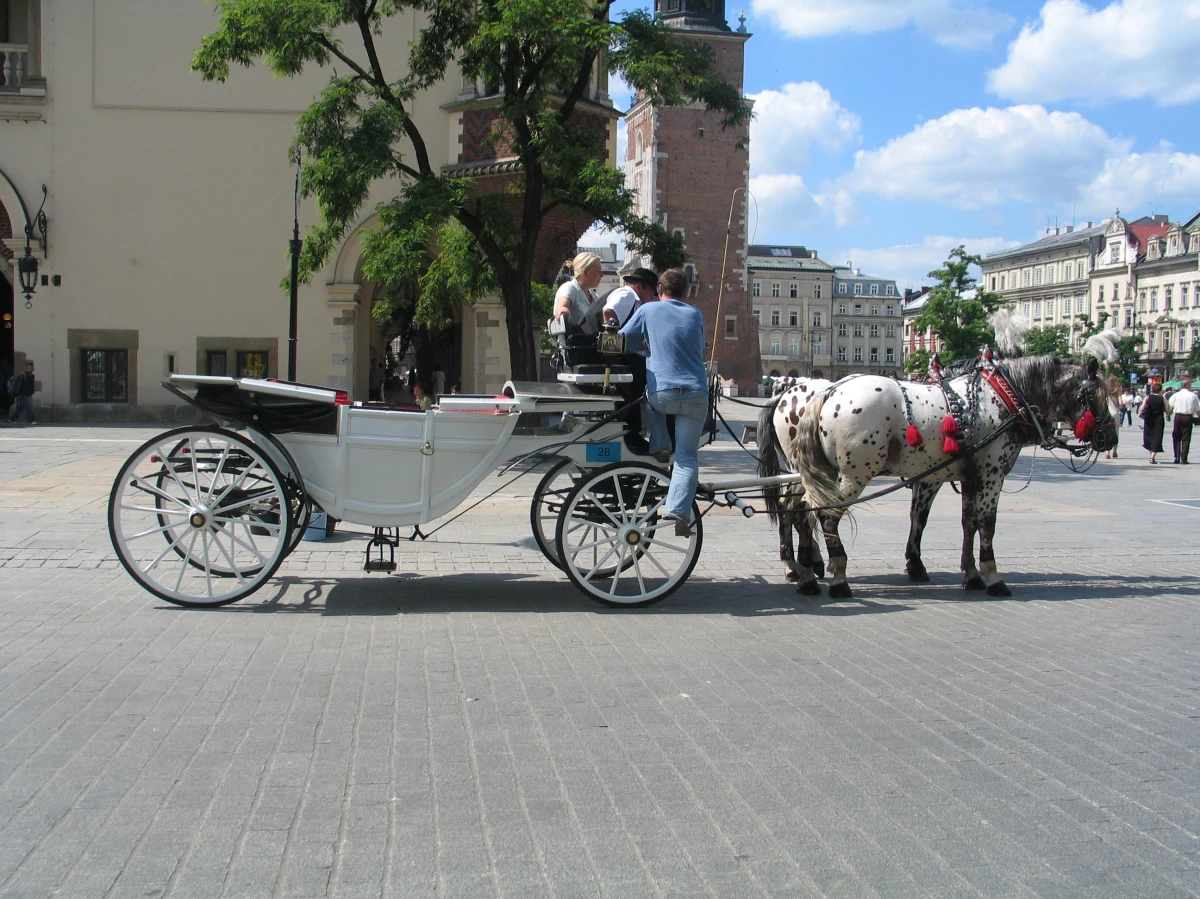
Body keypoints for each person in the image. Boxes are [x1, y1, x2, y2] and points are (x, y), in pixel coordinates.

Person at [620, 268, 708, 537]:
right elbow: (697, 348)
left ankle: (659, 444)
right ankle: (678, 510)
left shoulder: (647, 310)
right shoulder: (695, 314)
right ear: (687, 291)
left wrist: (646, 349)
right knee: (687, 457)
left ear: (659, 288)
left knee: (649, 398)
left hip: (663, 395)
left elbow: (623, 340)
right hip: (695, 393)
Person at [581, 267, 659, 336]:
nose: (651, 298)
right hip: (588, 342)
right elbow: (608, 312)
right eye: (651, 292)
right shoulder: (628, 294)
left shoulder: (631, 297)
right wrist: (613, 343)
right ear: (638, 287)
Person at [552, 252, 603, 331]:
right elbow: (562, 308)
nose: (602, 275)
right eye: (598, 271)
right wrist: (562, 311)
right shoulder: (569, 288)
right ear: (586, 272)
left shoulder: (594, 296)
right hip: (573, 342)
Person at [1169, 377, 1198, 463]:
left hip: (1178, 417)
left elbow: (1170, 406)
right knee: (1186, 438)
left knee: (1176, 436)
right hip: (1188, 417)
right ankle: (1184, 458)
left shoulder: (1176, 395)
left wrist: (1167, 414)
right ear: (1187, 385)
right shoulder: (1193, 395)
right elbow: (1197, 408)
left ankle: (1177, 456)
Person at [1141, 382, 1166, 464]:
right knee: (1157, 437)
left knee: (1148, 436)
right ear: (1160, 390)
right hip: (1159, 420)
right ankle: (1152, 457)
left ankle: (1151, 454)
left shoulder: (1147, 397)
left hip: (1148, 419)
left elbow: (1142, 408)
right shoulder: (1163, 398)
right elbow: (1168, 410)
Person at [8, 361, 36, 426]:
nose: (30, 369)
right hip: (23, 394)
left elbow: (31, 386)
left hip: (28, 394)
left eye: (32, 368)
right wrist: (17, 395)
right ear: (26, 368)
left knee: (20, 408)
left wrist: (31, 393)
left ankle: (12, 419)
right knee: (29, 407)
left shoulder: (32, 376)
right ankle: (32, 420)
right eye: (29, 368)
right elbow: (19, 386)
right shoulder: (23, 375)